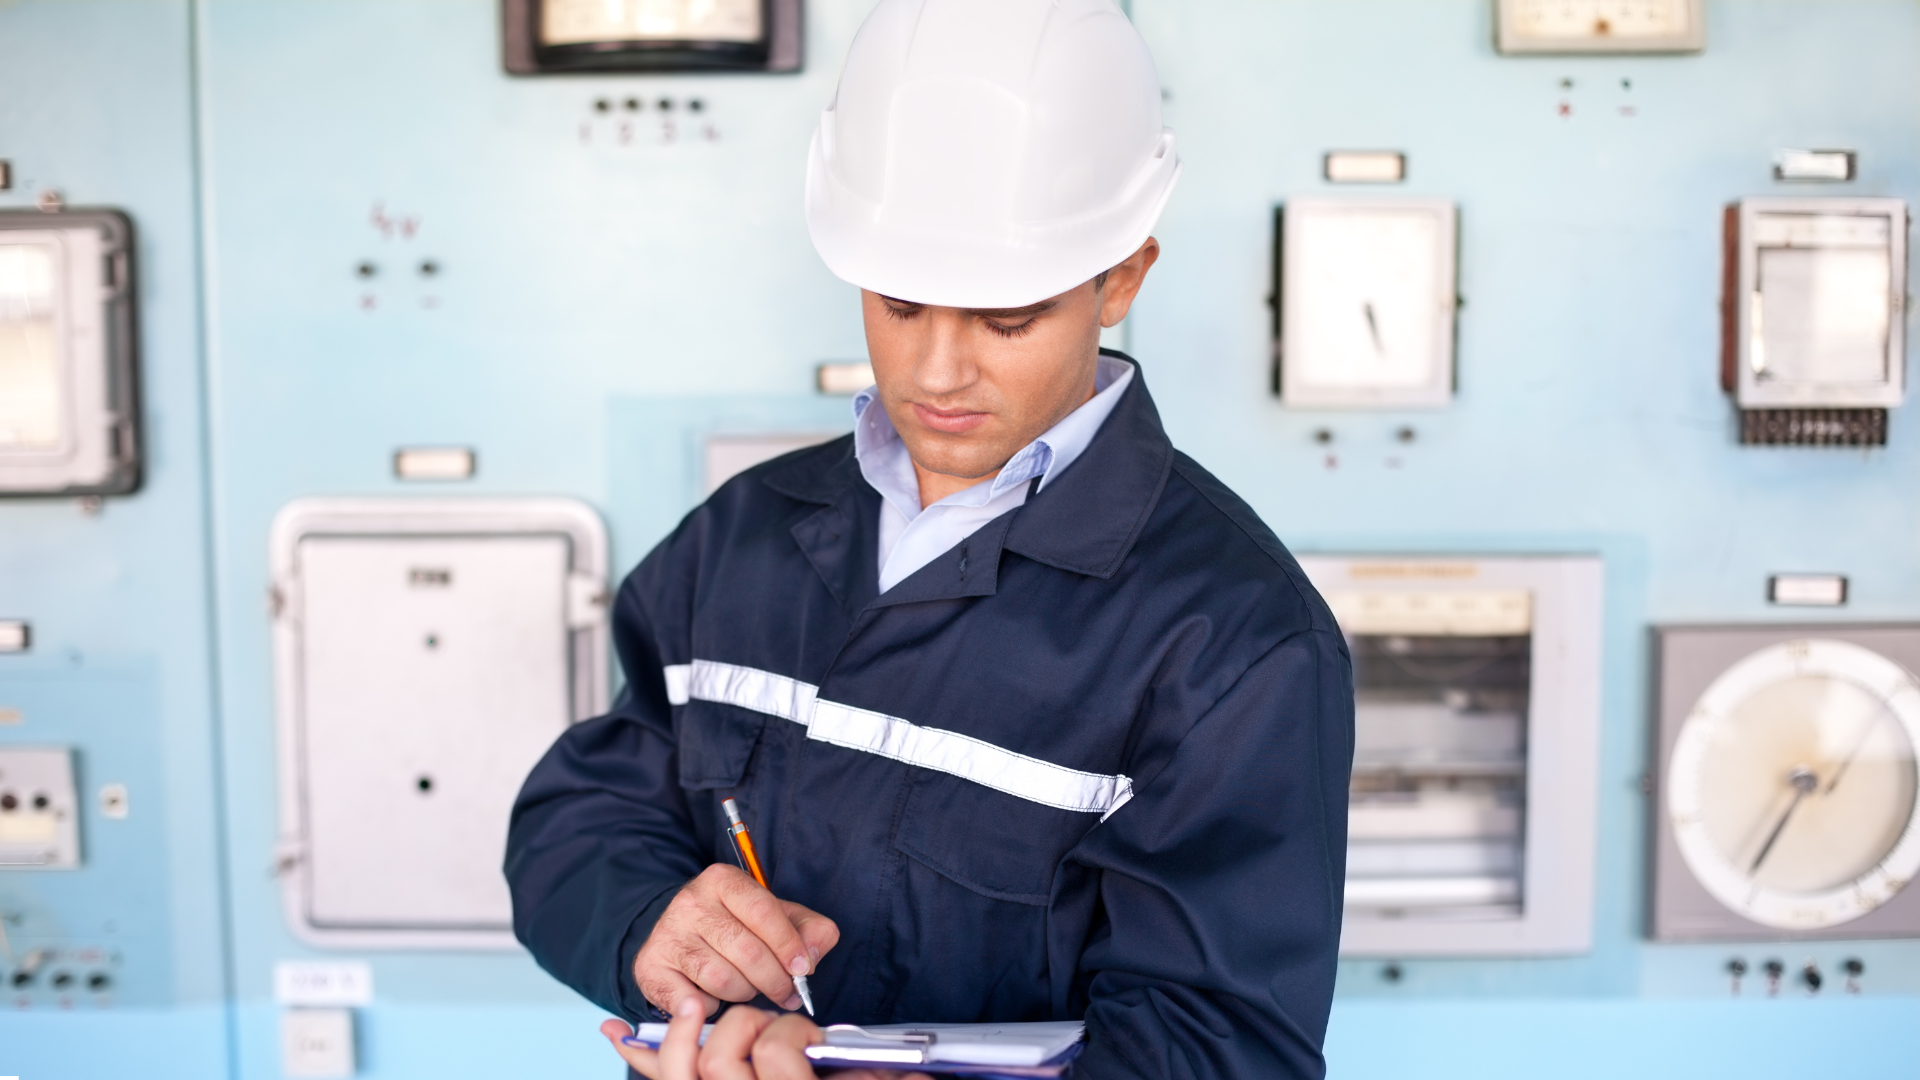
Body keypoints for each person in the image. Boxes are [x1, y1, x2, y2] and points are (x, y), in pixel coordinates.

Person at [504, 1, 1354, 1077]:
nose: (939, 372)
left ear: (1122, 278)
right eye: (901, 305)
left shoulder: (1234, 641)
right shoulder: (745, 536)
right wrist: (647, 923)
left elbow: (1223, 1049)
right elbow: (585, 810)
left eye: (1006, 319)